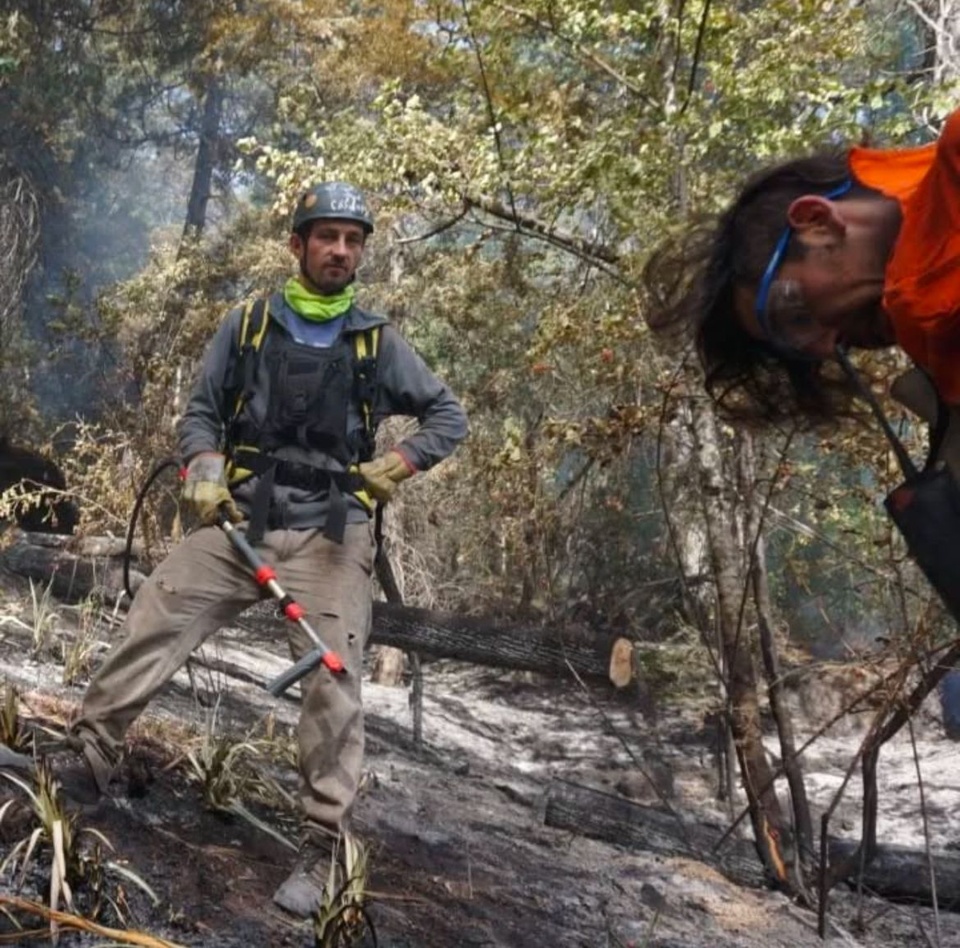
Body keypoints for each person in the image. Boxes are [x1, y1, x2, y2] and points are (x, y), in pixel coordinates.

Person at [53, 181, 468, 917]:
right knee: (160, 605)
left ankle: (323, 840)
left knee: (332, 676)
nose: (341, 250)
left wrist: (396, 466)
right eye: (327, 236)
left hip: (333, 530)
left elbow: (447, 415)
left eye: (353, 239)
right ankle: (91, 750)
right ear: (297, 245)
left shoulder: (377, 341)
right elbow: (202, 412)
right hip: (241, 520)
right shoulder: (247, 325)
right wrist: (204, 472)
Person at [644, 108, 960, 424]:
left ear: (815, 221)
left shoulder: (926, 306)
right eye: (800, 347)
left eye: (796, 318)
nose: (827, 346)